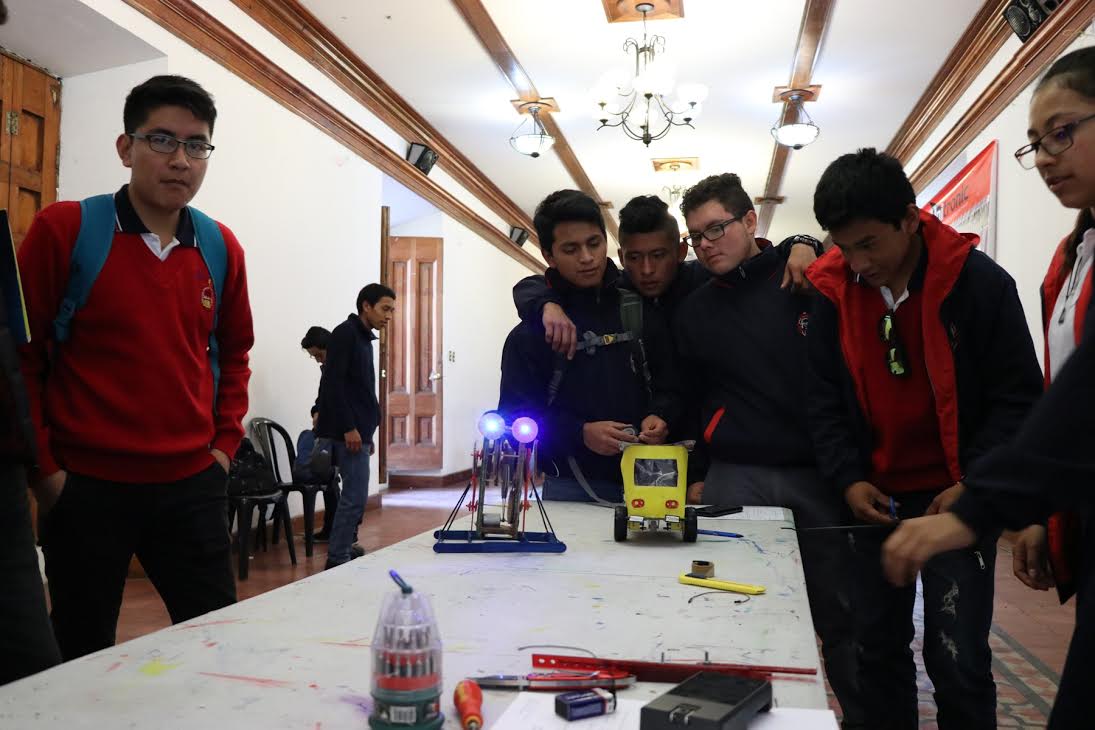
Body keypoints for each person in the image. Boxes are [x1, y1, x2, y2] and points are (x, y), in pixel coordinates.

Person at [881, 47, 1095, 729]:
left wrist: (983, 502)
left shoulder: (979, 283)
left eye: (1063, 132)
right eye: (1035, 144)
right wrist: (1041, 510)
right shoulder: (1073, 253)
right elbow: (1063, 398)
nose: (1047, 158)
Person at [17, 75, 254, 660]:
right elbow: (20, 359)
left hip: (191, 483)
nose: (181, 160)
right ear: (126, 148)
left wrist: (222, 448)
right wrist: (45, 473)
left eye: (197, 145)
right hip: (86, 488)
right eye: (162, 141)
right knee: (80, 652)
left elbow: (235, 353)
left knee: (216, 648)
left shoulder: (220, 247)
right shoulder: (67, 230)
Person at [806, 148, 1042, 729]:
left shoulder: (977, 284)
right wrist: (849, 477)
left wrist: (974, 484)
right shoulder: (831, 292)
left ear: (910, 219)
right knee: (875, 649)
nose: (859, 263)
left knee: (956, 655)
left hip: (954, 499)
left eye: (870, 244)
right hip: (873, 500)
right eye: (845, 247)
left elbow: (1017, 397)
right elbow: (822, 400)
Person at [672, 173, 859, 727]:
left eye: (716, 229)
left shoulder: (807, 278)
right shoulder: (694, 308)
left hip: (816, 474)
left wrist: (810, 244)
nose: (706, 244)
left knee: (840, 615)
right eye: (696, 236)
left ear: (751, 221)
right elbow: (694, 398)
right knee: (724, 606)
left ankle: (861, 713)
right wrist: (699, 472)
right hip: (735, 475)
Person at [498, 189, 681, 502]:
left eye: (594, 243)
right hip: (568, 484)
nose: (587, 258)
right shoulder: (530, 334)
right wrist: (578, 433)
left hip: (652, 475)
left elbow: (673, 383)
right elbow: (515, 422)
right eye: (571, 249)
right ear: (549, 256)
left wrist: (661, 415)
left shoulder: (641, 308)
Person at [317, 283, 395, 569]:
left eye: (392, 310)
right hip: (346, 432)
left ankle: (344, 549)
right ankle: (337, 556)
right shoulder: (345, 334)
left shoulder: (363, 338)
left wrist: (367, 432)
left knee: (354, 497)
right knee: (354, 497)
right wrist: (350, 427)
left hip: (359, 431)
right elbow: (333, 384)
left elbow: (360, 389)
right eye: (385, 308)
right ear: (366, 306)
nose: (389, 315)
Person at [299, 325, 336, 540]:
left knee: (332, 478)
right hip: (326, 430)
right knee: (329, 478)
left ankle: (342, 532)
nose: (318, 360)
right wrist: (316, 411)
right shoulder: (327, 369)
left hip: (338, 432)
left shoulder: (339, 368)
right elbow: (321, 399)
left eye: (319, 355)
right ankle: (332, 529)